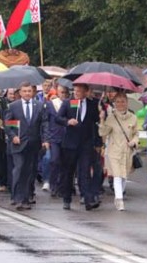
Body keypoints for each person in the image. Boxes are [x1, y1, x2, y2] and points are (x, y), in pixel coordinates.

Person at [55, 83, 100, 211]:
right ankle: (66, 198)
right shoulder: (68, 103)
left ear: (86, 91)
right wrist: (67, 122)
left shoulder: (92, 104)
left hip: (85, 143)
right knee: (68, 172)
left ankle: (88, 199)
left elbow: (95, 122)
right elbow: (58, 118)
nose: (77, 93)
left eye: (80, 91)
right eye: (75, 90)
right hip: (70, 144)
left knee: (85, 171)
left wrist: (101, 115)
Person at [5, 82, 49, 211]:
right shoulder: (13, 106)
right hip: (18, 144)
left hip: (33, 144)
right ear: (20, 92)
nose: (27, 93)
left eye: (29, 91)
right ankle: (17, 198)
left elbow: (44, 124)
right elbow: (7, 124)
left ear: (33, 92)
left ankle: (25, 199)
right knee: (19, 169)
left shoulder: (39, 106)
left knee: (29, 172)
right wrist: (13, 136)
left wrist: (45, 140)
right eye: (24, 91)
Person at [98, 92, 138, 210]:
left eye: (123, 101)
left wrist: (134, 142)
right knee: (117, 175)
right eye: (118, 102)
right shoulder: (111, 117)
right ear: (114, 103)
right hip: (114, 150)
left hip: (127, 150)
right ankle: (119, 199)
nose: (120, 104)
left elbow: (136, 133)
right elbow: (103, 132)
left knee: (124, 175)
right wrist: (101, 120)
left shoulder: (133, 117)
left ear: (127, 102)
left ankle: (119, 193)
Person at [46, 83, 68, 198]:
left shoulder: (70, 104)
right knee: (54, 160)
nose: (63, 95)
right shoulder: (50, 104)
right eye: (61, 92)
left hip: (67, 137)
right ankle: (53, 185)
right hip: (54, 137)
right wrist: (46, 137)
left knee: (65, 163)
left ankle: (61, 186)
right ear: (57, 92)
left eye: (65, 92)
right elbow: (46, 121)